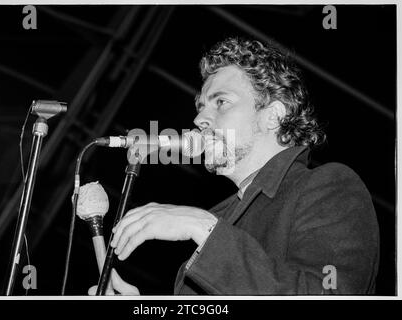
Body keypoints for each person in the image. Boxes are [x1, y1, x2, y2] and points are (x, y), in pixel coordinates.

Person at [90, 37, 380, 295]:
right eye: (201, 106)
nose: (199, 119)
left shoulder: (328, 185)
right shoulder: (222, 218)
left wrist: (205, 228)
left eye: (220, 102)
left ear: (273, 115)